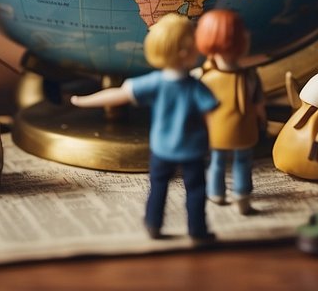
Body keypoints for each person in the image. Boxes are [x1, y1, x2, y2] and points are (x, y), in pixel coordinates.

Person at [71, 14, 219, 243]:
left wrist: (84, 101)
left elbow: (118, 95)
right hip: (192, 151)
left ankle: (153, 224)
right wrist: (217, 142)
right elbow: (211, 116)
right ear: (183, 52)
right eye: (194, 43)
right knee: (196, 190)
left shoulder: (154, 82)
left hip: (161, 150)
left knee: (158, 188)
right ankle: (197, 232)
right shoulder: (195, 87)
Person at [195, 8, 264, 215]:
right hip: (244, 129)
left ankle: (216, 193)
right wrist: (263, 121)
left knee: (216, 160)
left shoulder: (202, 76)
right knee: (243, 161)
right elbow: (259, 104)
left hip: (216, 131)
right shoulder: (250, 76)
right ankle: (241, 196)